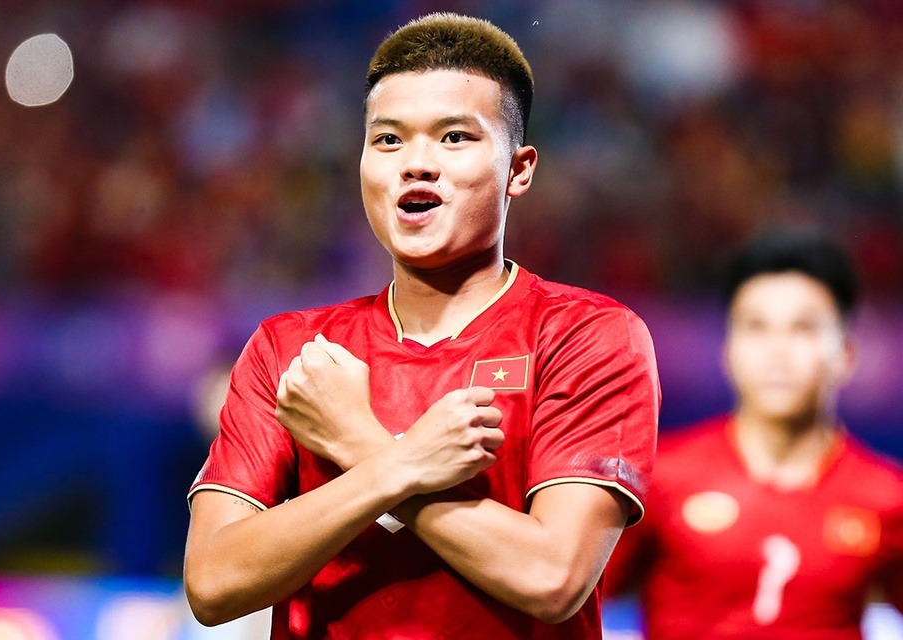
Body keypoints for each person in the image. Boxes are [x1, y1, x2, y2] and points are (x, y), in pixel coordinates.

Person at [184, 12, 660, 639]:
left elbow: (554, 578)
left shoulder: (585, 336)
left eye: (454, 137)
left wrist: (357, 442)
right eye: (388, 140)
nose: (416, 163)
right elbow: (213, 583)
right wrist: (401, 466)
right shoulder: (291, 350)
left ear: (518, 169)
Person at [604, 228, 903, 639]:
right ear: (728, 350)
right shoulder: (657, 478)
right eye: (757, 327)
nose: (777, 351)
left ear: (847, 354)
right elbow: (573, 607)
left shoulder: (888, 498)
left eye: (803, 329)